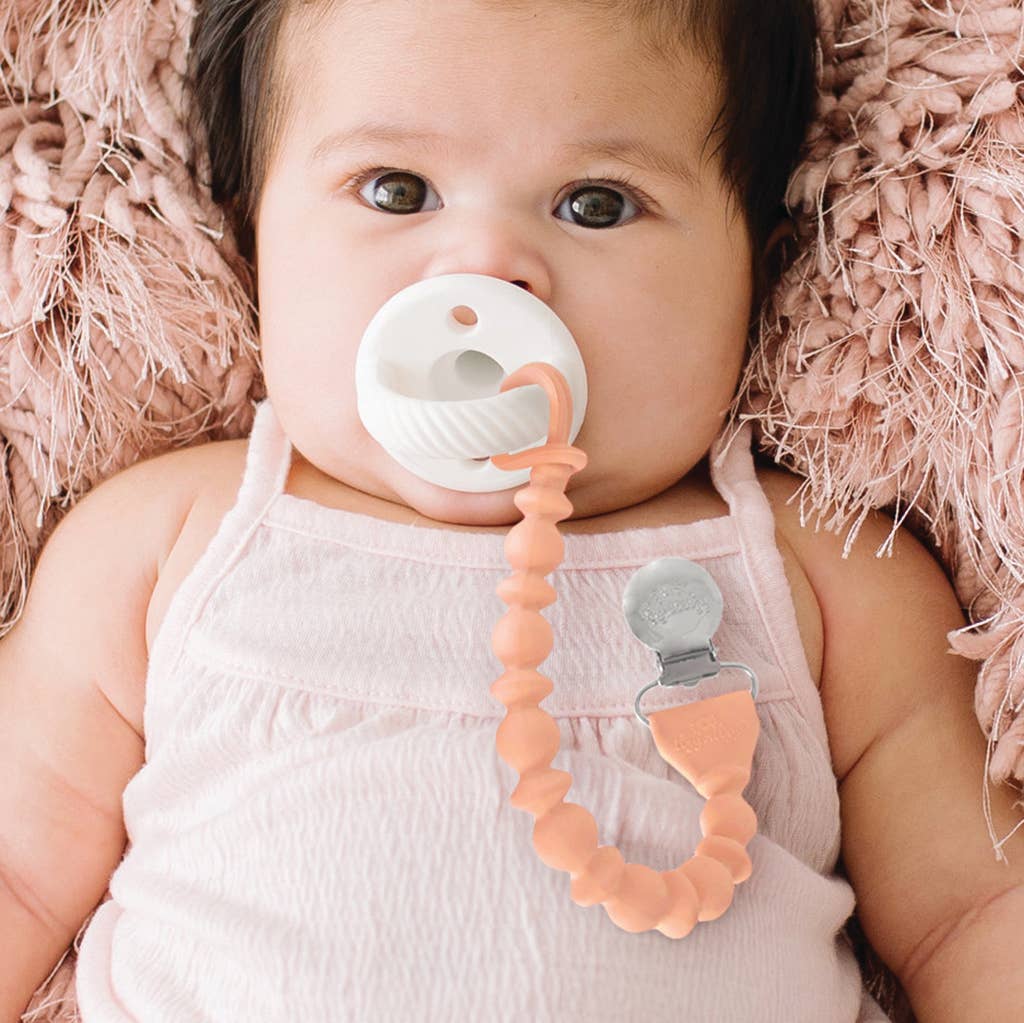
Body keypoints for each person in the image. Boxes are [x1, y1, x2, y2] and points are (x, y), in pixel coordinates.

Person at [3, 1, 1023, 1020]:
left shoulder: (825, 576)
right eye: (397, 191)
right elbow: (18, 873)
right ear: (250, 233)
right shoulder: (166, 545)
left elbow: (972, 911)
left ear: (757, 261)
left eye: (596, 204)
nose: (485, 267)